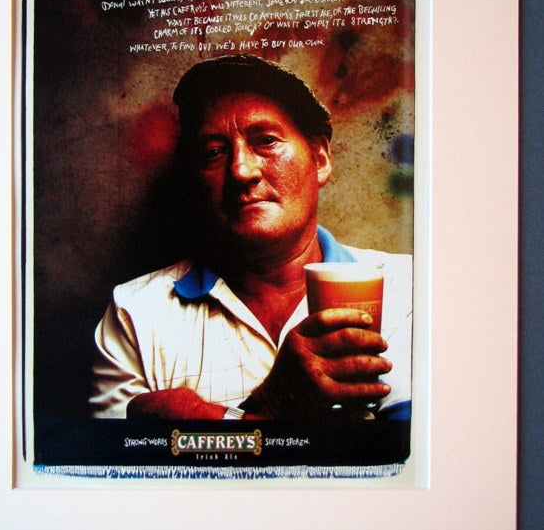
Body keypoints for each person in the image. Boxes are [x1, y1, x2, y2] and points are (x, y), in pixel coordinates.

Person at [89, 54, 412, 421]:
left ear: (320, 160)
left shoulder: (410, 290)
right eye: (213, 152)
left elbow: (411, 449)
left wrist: (213, 420)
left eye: (266, 141)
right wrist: (269, 404)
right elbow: (122, 454)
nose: (241, 170)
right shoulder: (135, 313)